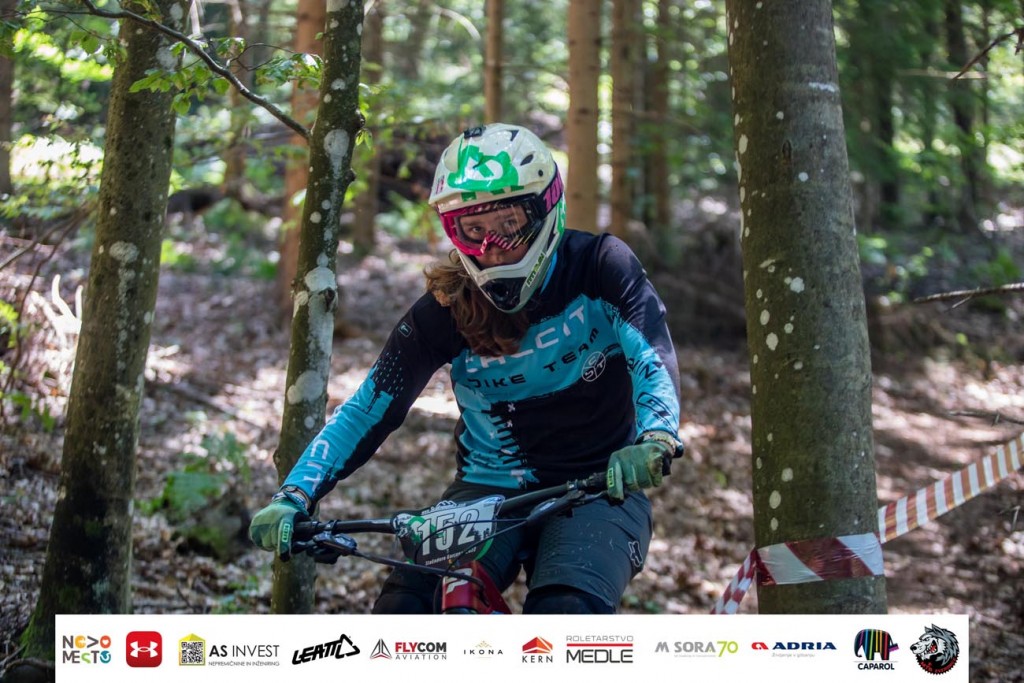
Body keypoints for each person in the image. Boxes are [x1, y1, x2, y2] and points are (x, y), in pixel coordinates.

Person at [249, 123, 684, 614]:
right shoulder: (446, 308)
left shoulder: (601, 265)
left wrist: (656, 436)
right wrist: (294, 494)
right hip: (488, 488)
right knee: (403, 610)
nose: (491, 246)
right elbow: (369, 407)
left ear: (546, 208)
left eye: (508, 223)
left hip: (599, 484)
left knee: (566, 613)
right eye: (472, 231)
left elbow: (650, 353)